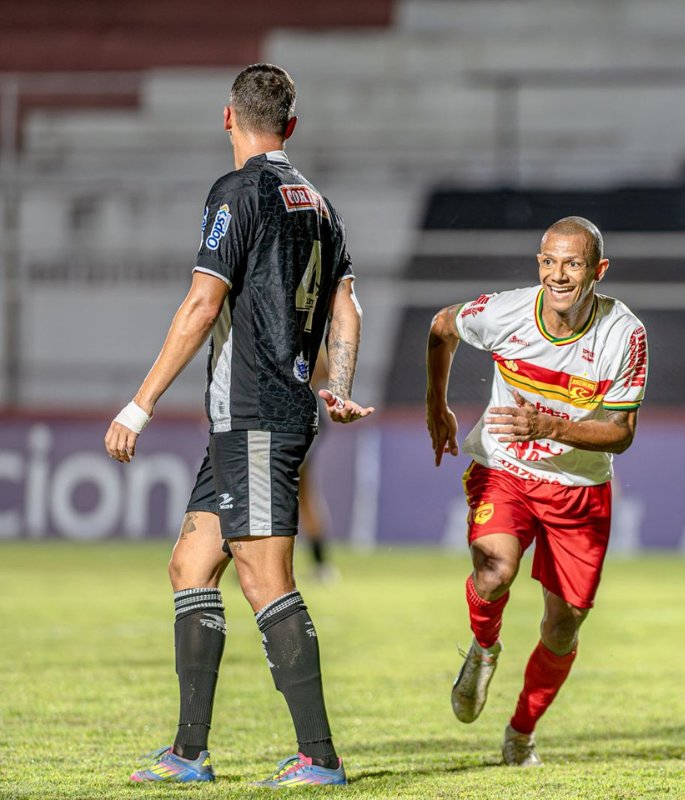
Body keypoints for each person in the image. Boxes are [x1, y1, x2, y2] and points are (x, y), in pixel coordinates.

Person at [103, 63, 373, 787]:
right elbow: (346, 305)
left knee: (262, 577)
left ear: (229, 118)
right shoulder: (318, 203)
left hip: (255, 414)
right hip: (252, 416)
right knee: (192, 564)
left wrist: (140, 402)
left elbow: (200, 304)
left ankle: (320, 758)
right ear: (291, 126)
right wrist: (337, 384)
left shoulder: (238, 191)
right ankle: (189, 754)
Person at [426, 216, 648, 766]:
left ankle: (522, 730)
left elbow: (620, 433)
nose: (558, 275)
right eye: (549, 261)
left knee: (562, 626)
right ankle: (483, 649)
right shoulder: (505, 312)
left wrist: (552, 427)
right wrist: (437, 401)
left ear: (598, 271)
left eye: (572, 264)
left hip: (579, 488)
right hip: (507, 469)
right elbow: (441, 327)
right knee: (494, 570)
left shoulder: (626, 335)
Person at [299, 349, 338, 583]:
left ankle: (266, 566)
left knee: (278, 490)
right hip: (301, 416)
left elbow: (323, 371)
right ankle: (321, 566)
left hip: (301, 417)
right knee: (303, 493)